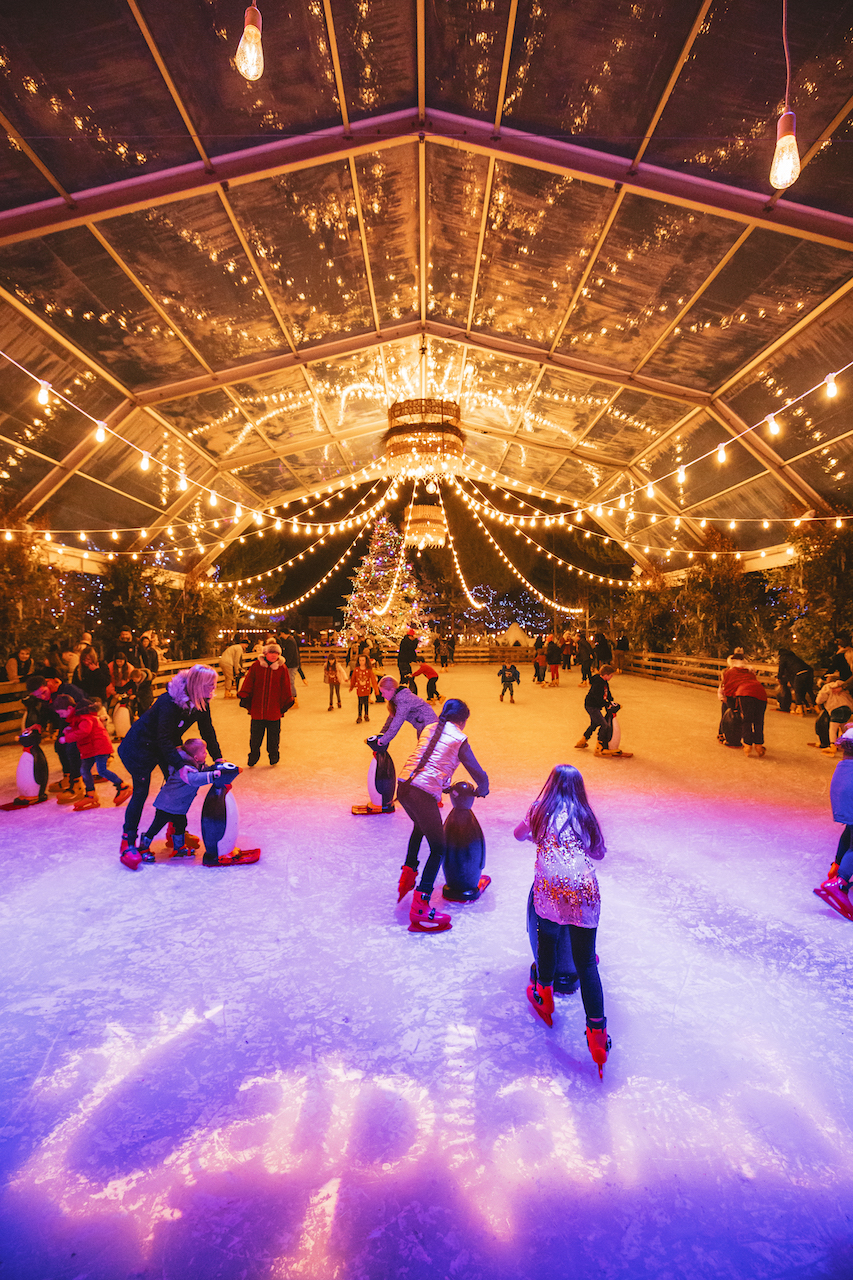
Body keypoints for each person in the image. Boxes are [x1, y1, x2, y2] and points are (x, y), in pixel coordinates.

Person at [513, 764, 610, 1075]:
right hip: (583, 889)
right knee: (586, 962)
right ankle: (597, 1035)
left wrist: (539, 839)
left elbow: (518, 835)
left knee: (548, 941)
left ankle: (544, 994)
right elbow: (599, 853)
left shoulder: (538, 809)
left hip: (550, 888)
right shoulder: (584, 813)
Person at [396, 698, 489, 930]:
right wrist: (483, 789)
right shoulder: (459, 738)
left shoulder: (429, 728)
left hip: (404, 787)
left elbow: (431, 759)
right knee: (439, 848)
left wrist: (443, 784)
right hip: (422, 793)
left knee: (420, 827)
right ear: (463, 720)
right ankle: (420, 906)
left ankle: (407, 875)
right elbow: (478, 772)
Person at [117, 665, 223, 861]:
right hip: (139, 747)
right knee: (141, 792)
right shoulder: (169, 701)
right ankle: (128, 839)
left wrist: (218, 758)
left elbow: (208, 730)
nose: (213, 689)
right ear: (197, 684)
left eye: (214, 685)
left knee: (177, 788)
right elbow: (163, 738)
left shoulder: (202, 702)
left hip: (163, 746)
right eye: (209, 685)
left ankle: (175, 833)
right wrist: (181, 766)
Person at [134, 739, 236, 863]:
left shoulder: (196, 765)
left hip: (179, 807)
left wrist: (214, 768)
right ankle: (143, 847)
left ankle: (179, 848)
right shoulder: (184, 769)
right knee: (157, 825)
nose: (206, 754)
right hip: (167, 804)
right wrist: (213, 775)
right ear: (195, 756)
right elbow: (194, 779)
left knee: (181, 824)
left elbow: (202, 771)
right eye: (204, 752)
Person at [53, 693, 130, 810]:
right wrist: (70, 729)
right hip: (90, 748)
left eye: (61, 713)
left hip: (99, 747)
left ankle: (122, 786)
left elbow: (84, 731)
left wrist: (66, 738)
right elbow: (80, 729)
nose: (62, 716)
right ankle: (90, 794)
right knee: (84, 770)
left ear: (69, 708)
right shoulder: (78, 717)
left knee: (102, 770)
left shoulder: (85, 716)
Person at [24, 673, 87, 802]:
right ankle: (68, 777)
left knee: (71, 748)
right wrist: (39, 724)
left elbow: (84, 703)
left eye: (43, 692)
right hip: (67, 723)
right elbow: (46, 711)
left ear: (48, 684)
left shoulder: (68, 690)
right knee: (59, 746)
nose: (42, 697)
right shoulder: (48, 698)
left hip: (82, 722)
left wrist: (79, 725)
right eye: (38, 696)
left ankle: (77, 783)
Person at [813, 726, 853, 920]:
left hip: (842, 781)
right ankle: (840, 883)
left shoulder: (850, 731)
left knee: (851, 828)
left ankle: (837, 867)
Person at [238, 642, 293, 766]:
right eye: (271, 652)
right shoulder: (256, 666)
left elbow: (285, 686)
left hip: (274, 710)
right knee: (255, 736)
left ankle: (273, 755)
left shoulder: (282, 668)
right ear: (265, 653)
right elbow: (249, 681)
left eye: (276, 653)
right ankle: (253, 755)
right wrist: (245, 694)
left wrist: (287, 700)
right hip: (258, 709)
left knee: (273, 737)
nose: (274, 655)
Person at [375, 676, 438, 750]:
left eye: (383, 692)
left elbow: (397, 723)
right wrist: (381, 735)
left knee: (426, 751)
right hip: (422, 725)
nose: (382, 695)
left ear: (391, 690)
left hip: (429, 725)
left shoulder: (403, 700)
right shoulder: (396, 699)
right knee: (423, 750)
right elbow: (391, 719)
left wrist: (382, 741)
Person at [576, 664, 617, 754]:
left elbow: (607, 692)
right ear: (606, 675)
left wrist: (611, 701)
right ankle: (600, 747)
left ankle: (583, 741)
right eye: (611, 675)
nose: (612, 677)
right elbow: (598, 697)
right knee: (604, 725)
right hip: (591, 706)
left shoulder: (604, 682)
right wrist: (606, 704)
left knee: (594, 723)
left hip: (595, 705)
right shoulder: (598, 683)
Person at [734, 666, 769, 758]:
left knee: (747, 720)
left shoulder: (738, 679)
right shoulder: (753, 679)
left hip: (745, 694)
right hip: (761, 695)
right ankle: (758, 746)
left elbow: (730, 691)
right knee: (759, 721)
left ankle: (747, 744)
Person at [815, 679, 853, 754]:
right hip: (847, 709)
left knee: (833, 729)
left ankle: (833, 746)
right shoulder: (843, 686)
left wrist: (818, 701)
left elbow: (820, 699)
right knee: (844, 727)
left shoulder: (827, 687)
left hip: (836, 709)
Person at [777, 647, 815, 714]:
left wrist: (779, 677)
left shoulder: (783, 657)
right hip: (809, 671)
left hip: (799, 673)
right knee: (809, 690)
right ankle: (816, 707)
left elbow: (781, 668)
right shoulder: (793, 657)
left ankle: (799, 709)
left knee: (797, 690)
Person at [349, 652, 379, 723]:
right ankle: (359, 716)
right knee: (360, 702)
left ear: (366, 661)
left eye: (363, 660)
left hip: (367, 689)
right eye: (360, 660)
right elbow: (353, 679)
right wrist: (351, 687)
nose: (361, 662)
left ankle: (366, 714)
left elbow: (373, 680)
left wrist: (376, 690)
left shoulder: (369, 670)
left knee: (366, 702)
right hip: (359, 689)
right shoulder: (356, 670)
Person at [280, 629, 301, 709]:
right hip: (292, 664)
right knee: (288, 682)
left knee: (290, 682)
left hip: (291, 665)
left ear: (283, 633)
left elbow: (290, 654)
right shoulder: (290, 640)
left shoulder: (290, 641)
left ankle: (294, 700)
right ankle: (290, 699)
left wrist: (286, 664)